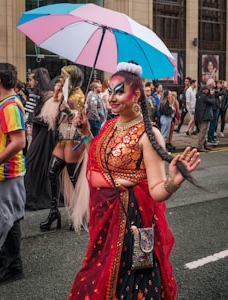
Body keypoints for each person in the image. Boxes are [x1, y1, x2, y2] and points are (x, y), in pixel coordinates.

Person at [68, 61, 201, 300]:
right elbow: (97, 160)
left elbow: (157, 191)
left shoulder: (148, 134)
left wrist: (174, 181)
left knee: (130, 282)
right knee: (96, 272)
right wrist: (86, 132)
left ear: (136, 94)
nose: (112, 97)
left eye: (120, 91)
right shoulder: (110, 125)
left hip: (131, 222)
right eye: (110, 91)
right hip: (104, 218)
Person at [0, 63, 26, 285]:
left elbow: (19, 141)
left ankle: (14, 267)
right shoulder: (4, 103)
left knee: (8, 219)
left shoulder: (10, 105)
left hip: (5, 172)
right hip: (0, 172)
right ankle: (5, 260)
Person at [40, 65, 89, 232]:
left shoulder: (78, 95)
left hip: (74, 139)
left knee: (74, 179)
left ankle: (81, 214)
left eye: (64, 77)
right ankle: (54, 212)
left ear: (72, 79)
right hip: (62, 138)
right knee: (52, 172)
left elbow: (78, 117)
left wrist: (69, 111)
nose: (61, 80)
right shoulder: (64, 94)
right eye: (61, 77)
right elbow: (50, 116)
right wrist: (56, 95)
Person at [24, 67, 55, 210]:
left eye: (31, 79)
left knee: (34, 162)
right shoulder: (44, 94)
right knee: (40, 162)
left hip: (44, 132)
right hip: (42, 132)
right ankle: (37, 195)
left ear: (37, 80)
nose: (29, 82)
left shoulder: (43, 95)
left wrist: (32, 122)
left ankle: (35, 196)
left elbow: (30, 115)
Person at [194, 86, 214, 152]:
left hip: (199, 116)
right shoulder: (205, 97)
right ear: (204, 90)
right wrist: (212, 95)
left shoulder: (199, 96)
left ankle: (203, 145)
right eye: (208, 90)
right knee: (203, 132)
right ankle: (200, 146)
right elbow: (212, 102)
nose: (209, 91)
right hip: (204, 116)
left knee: (202, 131)